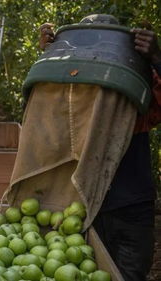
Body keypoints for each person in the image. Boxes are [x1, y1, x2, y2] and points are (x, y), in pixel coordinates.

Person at [39, 18, 161, 280]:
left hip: (131, 206)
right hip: (81, 205)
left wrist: (155, 59)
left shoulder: (132, 85)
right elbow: (41, 119)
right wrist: (49, 57)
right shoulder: (70, 94)